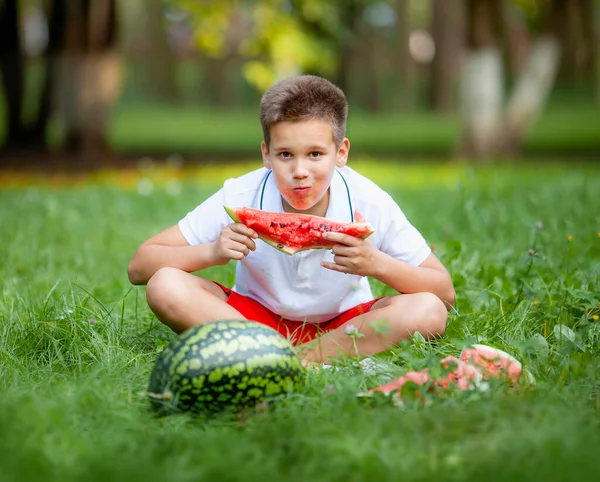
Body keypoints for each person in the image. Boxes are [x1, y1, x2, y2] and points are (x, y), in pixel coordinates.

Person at [127, 75, 455, 365]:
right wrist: (211, 253)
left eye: (315, 154)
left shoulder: (368, 200)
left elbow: (444, 293)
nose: (300, 172)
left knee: (427, 310)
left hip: (346, 326)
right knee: (164, 285)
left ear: (341, 152)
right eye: (286, 155)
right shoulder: (242, 193)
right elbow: (140, 267)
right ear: (266, 154)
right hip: (253, 322)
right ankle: (275, 354)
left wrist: (376, 263)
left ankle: (286, 362)